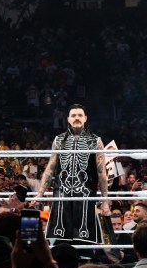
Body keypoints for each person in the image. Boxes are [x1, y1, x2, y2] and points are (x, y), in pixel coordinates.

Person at [37, 104, 111, 242]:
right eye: (73, 115)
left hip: (85, 194)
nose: (77, 118)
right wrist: (40, 193)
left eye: (80, 115)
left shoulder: (95, 141)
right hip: (62, 194)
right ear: (68, 119)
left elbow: (102, 173)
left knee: (85, 242)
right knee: (60, 243)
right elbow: (50, 167)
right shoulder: (59, 140)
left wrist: (105, 201)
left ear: (85, 118)